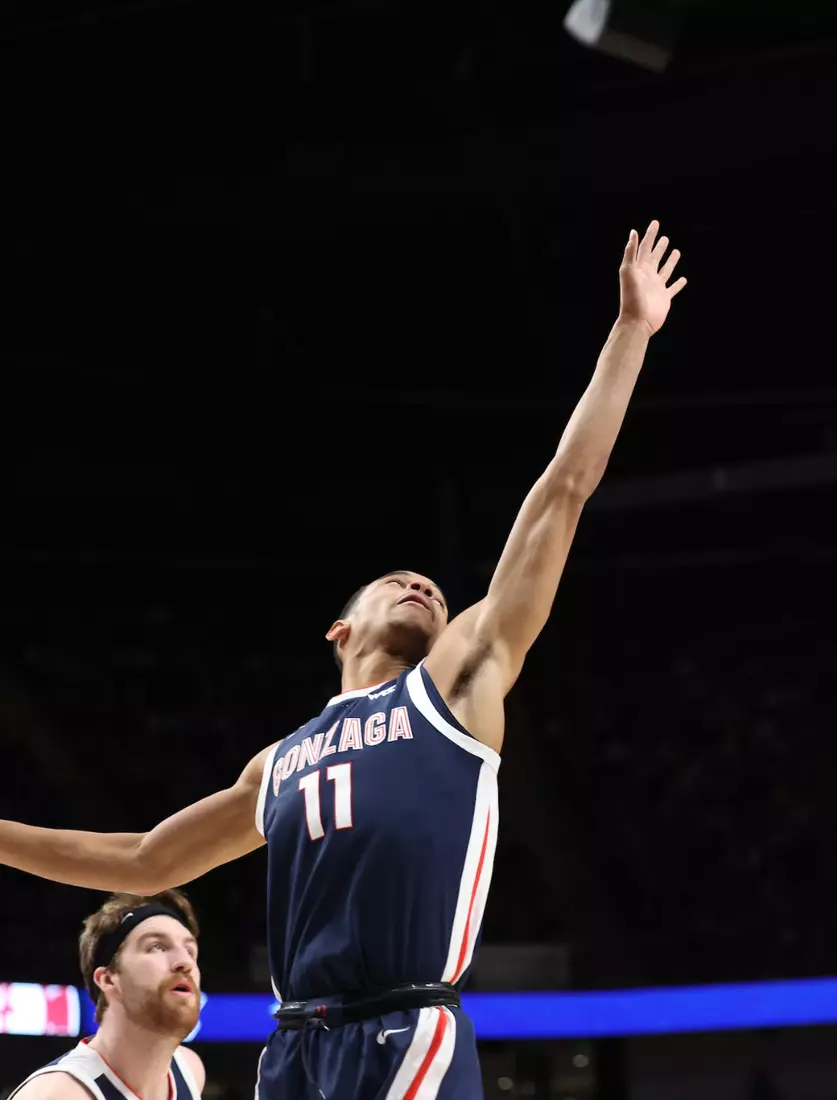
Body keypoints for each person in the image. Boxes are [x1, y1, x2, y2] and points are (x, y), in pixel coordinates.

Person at [0, 221, 687, 1099]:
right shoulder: (278, 761)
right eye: (397, 580)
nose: (422, 588)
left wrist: (631, 330)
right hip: (294, 1047)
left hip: (404, 1024)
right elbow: (140, 860)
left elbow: (563, 489)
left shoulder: (458, 686)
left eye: (435, 591)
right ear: (339, 629)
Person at [9, 891, 206, 1100]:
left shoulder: (190, 1071)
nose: (185, 962)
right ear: (108, 979)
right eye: (157, 947)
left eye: (190, 951)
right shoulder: (58, 1094)